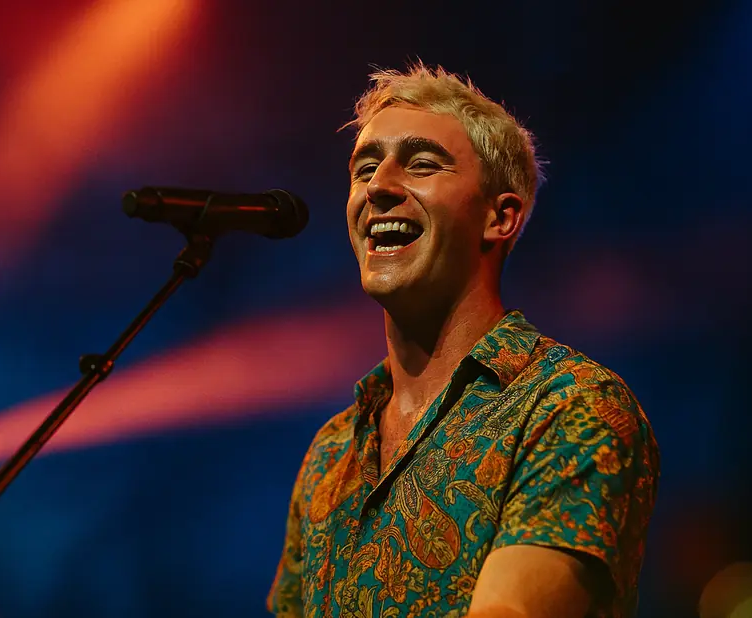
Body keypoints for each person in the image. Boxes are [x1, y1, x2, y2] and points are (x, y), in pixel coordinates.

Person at [267, 62, 660, 618]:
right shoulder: (331, 452)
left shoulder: (571, 407)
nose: (378, 187)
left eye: (422, 164)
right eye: (365, 169)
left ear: (500, 218)